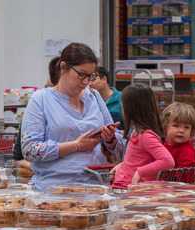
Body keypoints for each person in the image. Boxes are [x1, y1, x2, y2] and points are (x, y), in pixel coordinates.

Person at [21, 42, 124, 191]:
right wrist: (75, 146)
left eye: (90, 76)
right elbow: (30, 150)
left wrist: (111, 139)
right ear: (63, 67)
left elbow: (118, 144)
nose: (86, 82)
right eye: (81, 75)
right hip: (53, 190)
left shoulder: (94, 96)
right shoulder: (40, 99)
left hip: (96, 186)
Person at [112, 83, 174, 190]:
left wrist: (140, 172)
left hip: (136, 190)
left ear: (131, 109)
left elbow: (167, 161)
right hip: (129, 186)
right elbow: (140, 159)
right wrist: (123, 165)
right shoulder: (136, 132)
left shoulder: (146, 137)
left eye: (123, 106)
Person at [160, 102, 195, 168]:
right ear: (165, 127)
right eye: (176, 126)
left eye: (186, 127)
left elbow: (183, 176)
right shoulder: (165, 145)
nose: (181, 130)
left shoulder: (186, 151)